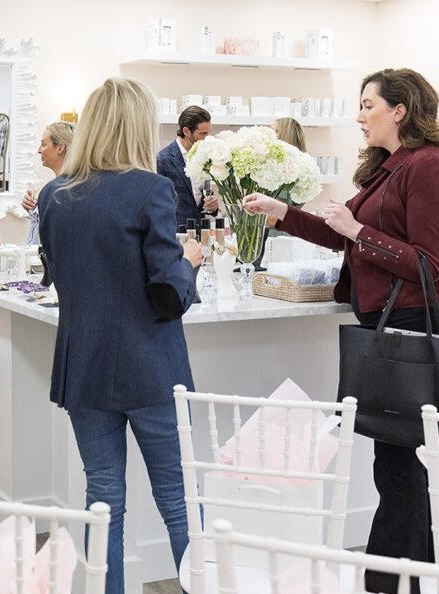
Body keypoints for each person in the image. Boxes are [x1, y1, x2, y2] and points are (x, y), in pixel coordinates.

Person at [245, 67, 439, 593]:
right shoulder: (388, 170)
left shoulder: (426, 166)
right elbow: (343, 237)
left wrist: (359, 232)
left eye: (367, 106)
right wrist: (282, 212)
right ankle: (403, 580)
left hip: (406, 330)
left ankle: (387, 582)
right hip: (384, 327)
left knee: (397, 468)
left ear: (399, 111)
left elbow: (429, 263)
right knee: (397, 467)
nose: (358, 116)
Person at [38, 77, 202, 594]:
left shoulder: (54, 195)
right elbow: (168, 293)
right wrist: (189, 263)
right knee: (177, 497)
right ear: (136, 125)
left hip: (83, 365)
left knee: (103, 497)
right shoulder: (151, 188)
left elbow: (58, 272)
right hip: (151, 367)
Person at [157, 105, 219, 227]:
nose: (207, 138)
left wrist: (212, 206)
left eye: (208, 133)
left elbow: (202, 195)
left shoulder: (205, 156)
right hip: (175, 233)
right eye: (203, 133)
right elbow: (158, 204)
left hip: (201, 231)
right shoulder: (163, 159)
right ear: (186, 131)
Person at [22, 121, 75, 245]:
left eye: (43, 144)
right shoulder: (53, 190)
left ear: (60, 148)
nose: (39, 150)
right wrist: (36, 210)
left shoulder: (66, 191)